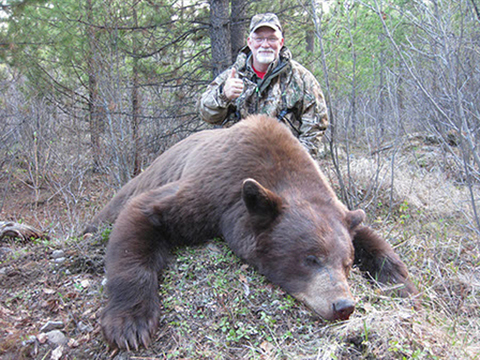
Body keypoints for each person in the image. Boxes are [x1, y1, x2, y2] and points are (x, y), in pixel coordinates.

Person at [198, 13, 328, 153]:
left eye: (272, 39)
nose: (265, 45)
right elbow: (206, 114)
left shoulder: (302, 79)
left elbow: (315, 128)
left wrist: (294, 161)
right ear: (249, 42)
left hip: (284, 163)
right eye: (259, 39)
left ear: (281, 42)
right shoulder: (232, 76)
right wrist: (223, 95)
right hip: (237, 161)